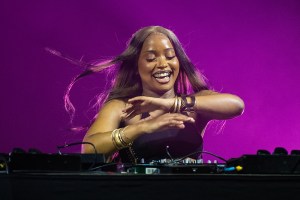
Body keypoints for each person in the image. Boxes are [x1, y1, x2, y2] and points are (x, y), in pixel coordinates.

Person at [65, 26, 245, 163]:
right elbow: (88, 151)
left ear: (179, 61)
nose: (162, 64)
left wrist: (171, 104)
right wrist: (142, 128)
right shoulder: (122, 107)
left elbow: (237, 106)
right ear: (136, 66)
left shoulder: (195, 104)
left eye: (170, 56)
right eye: (151, 58)